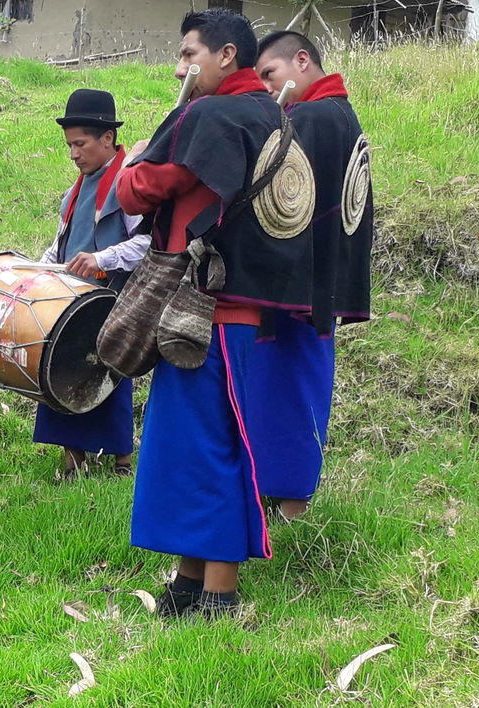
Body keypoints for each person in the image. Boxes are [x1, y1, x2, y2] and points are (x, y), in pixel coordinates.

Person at [115, 8, 317, 619]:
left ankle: (219, 596)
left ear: (227, 55)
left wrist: (140, 153)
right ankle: (187, 580)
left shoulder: (211, 116)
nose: (180, 69)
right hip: (238, 309)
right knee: (193, 444)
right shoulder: (273, 116)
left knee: (212, 448)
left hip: (206, 308)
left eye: (189, 55)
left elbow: (134, 192)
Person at [248, 30, 374, 520]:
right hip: (315, 287)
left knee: (290, 390)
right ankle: (281, 496)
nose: (265, 86)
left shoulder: (314, 117)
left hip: (296, 291)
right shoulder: (340, 113)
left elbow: (283, 200)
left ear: (302, 60)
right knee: (289, 388)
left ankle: (291, 504)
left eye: (270, 73)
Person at [35, 89, 147, 478]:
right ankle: (73, 459)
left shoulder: (129, 184)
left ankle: (121, 461)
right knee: (58, 367)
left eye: (80, 144)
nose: (73, 154)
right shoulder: (74, 191)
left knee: (109, 375)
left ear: (107, 138)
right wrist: (35, 269)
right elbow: (60, 245)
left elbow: (149, 244)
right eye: (69, 145)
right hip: (69, 301)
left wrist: (102, 258)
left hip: (113, 302)